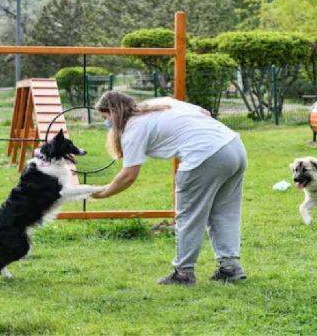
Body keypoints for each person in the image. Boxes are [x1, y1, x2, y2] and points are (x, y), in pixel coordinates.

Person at [91, 91, 247, 285]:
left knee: (189, 215)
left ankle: (184, 273)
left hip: (204, 155)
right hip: (234, 146)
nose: (107, 124)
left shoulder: (133, 128)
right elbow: (205, 112)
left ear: (113, 113)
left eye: (106, 118)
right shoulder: (159, 103)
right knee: (225, 212)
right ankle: (230, 267)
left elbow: (128, 176)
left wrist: (102, 193)